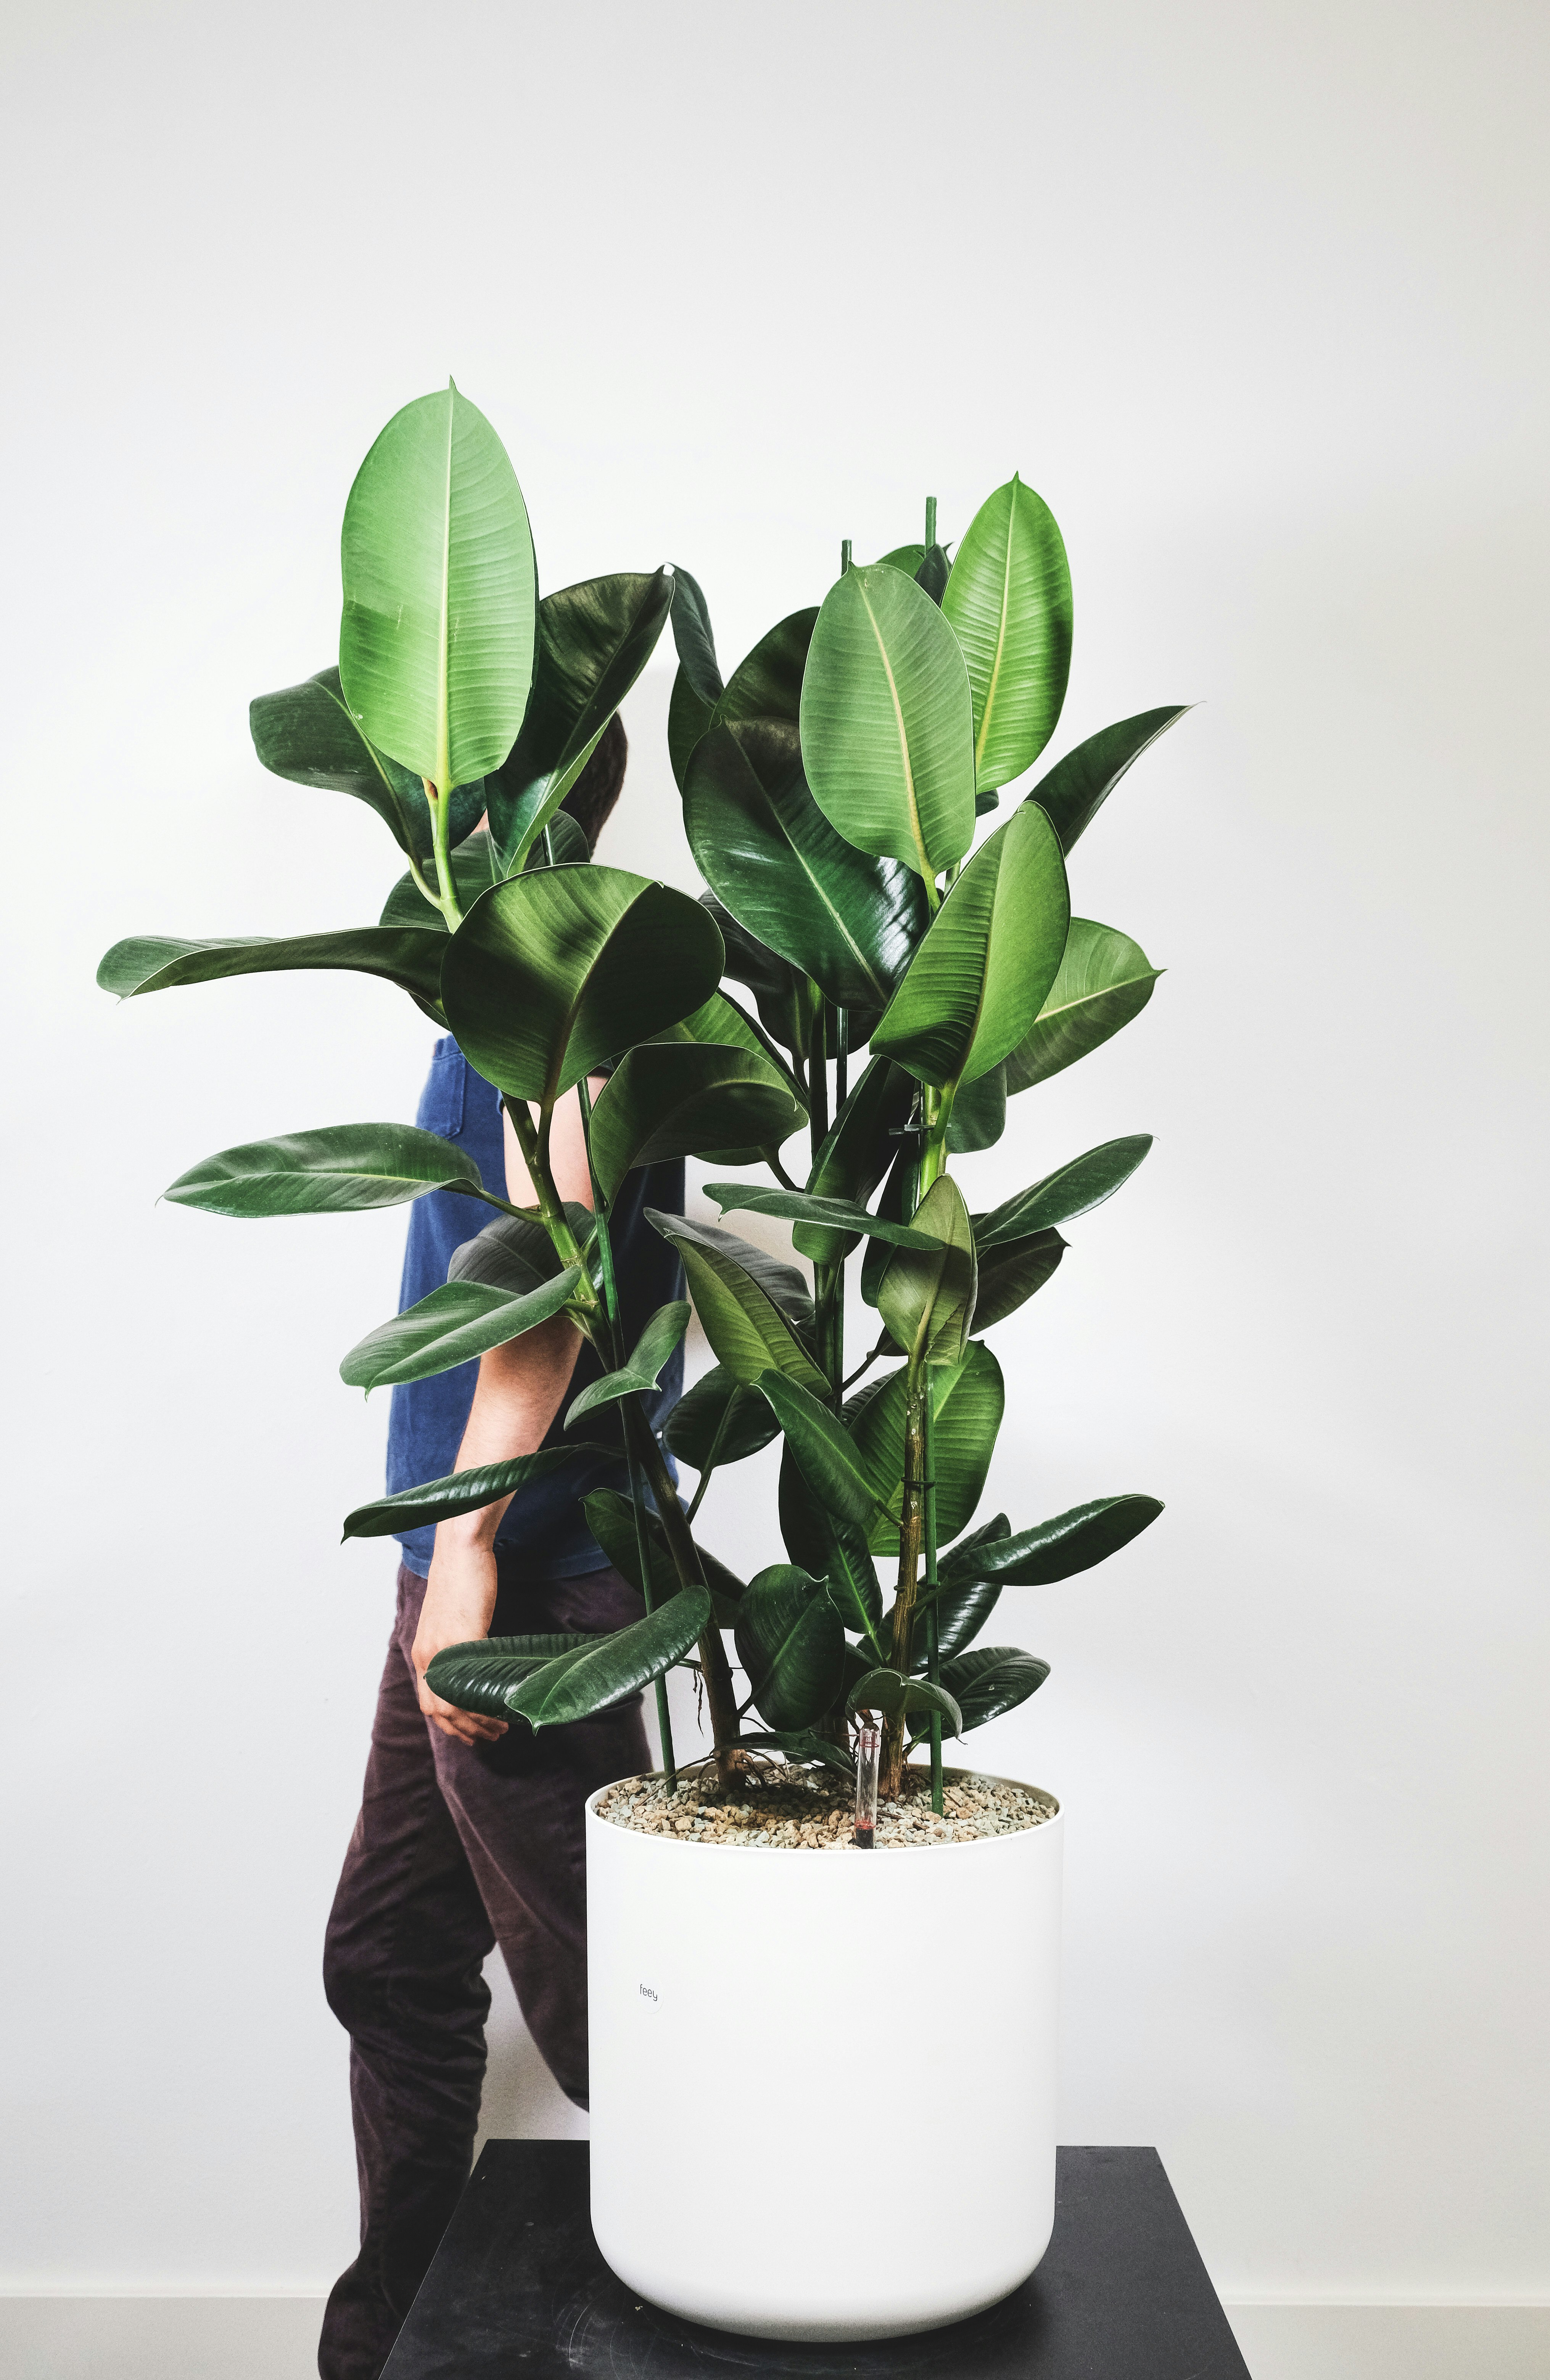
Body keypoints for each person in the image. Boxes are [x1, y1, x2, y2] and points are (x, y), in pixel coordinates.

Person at [317, 719, 686, 2380]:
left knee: (620, 2010)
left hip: (529, 1577)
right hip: (467, 1561)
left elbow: (545, 1268)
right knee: (393, 1958)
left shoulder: (565, 963)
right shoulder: (501, 961)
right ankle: (391, 2345)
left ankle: (748, 2294)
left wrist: (464, 1566)